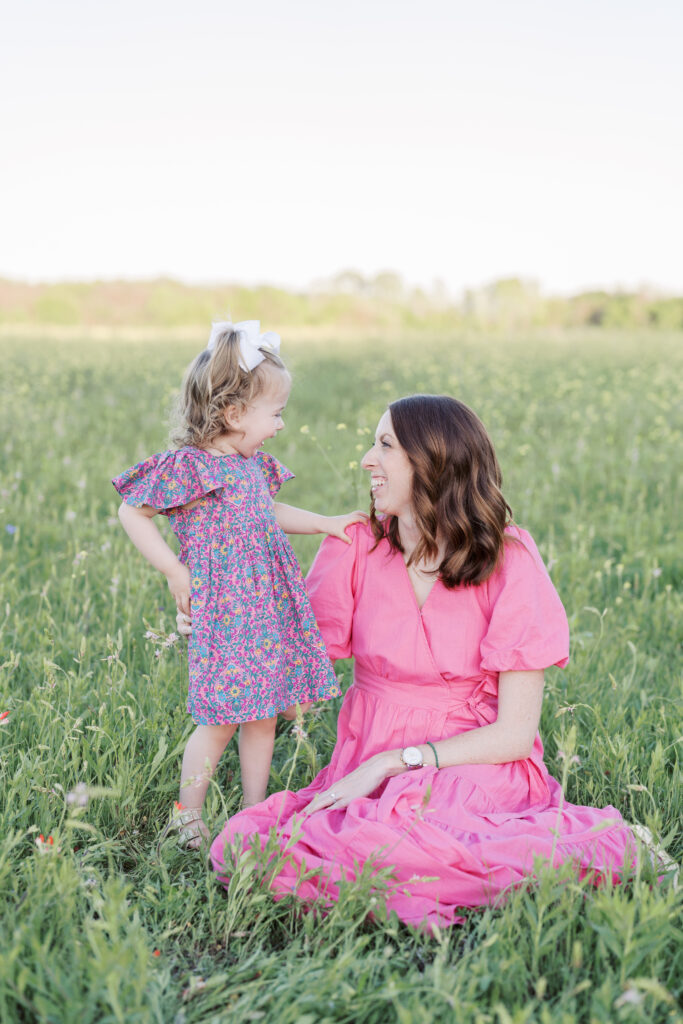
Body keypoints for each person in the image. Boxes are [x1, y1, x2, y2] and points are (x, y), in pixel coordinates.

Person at [208, 393, 638, 929]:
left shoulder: (509, 559)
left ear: (432, 463)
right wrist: (217, 617)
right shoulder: (355, 544)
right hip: (366, 752)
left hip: (471, 761)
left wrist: (392, 763)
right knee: (247, 846)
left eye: (385, 446)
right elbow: (285, 664)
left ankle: (599, 843)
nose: (367, 459)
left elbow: (515, 733)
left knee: (406, 846)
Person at [113, 320, 365, 848]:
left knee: (266, 711)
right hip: (225, 610)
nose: (279, 425)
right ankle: (189, 814)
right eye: (274, 413)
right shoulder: (189, 467)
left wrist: (324, 522)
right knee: (222, 718)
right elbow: (132, 512)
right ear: (233, 413)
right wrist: (174, 570)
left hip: (266, 608)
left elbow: (268, 511)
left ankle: (255, 811)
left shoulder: (252, 467)